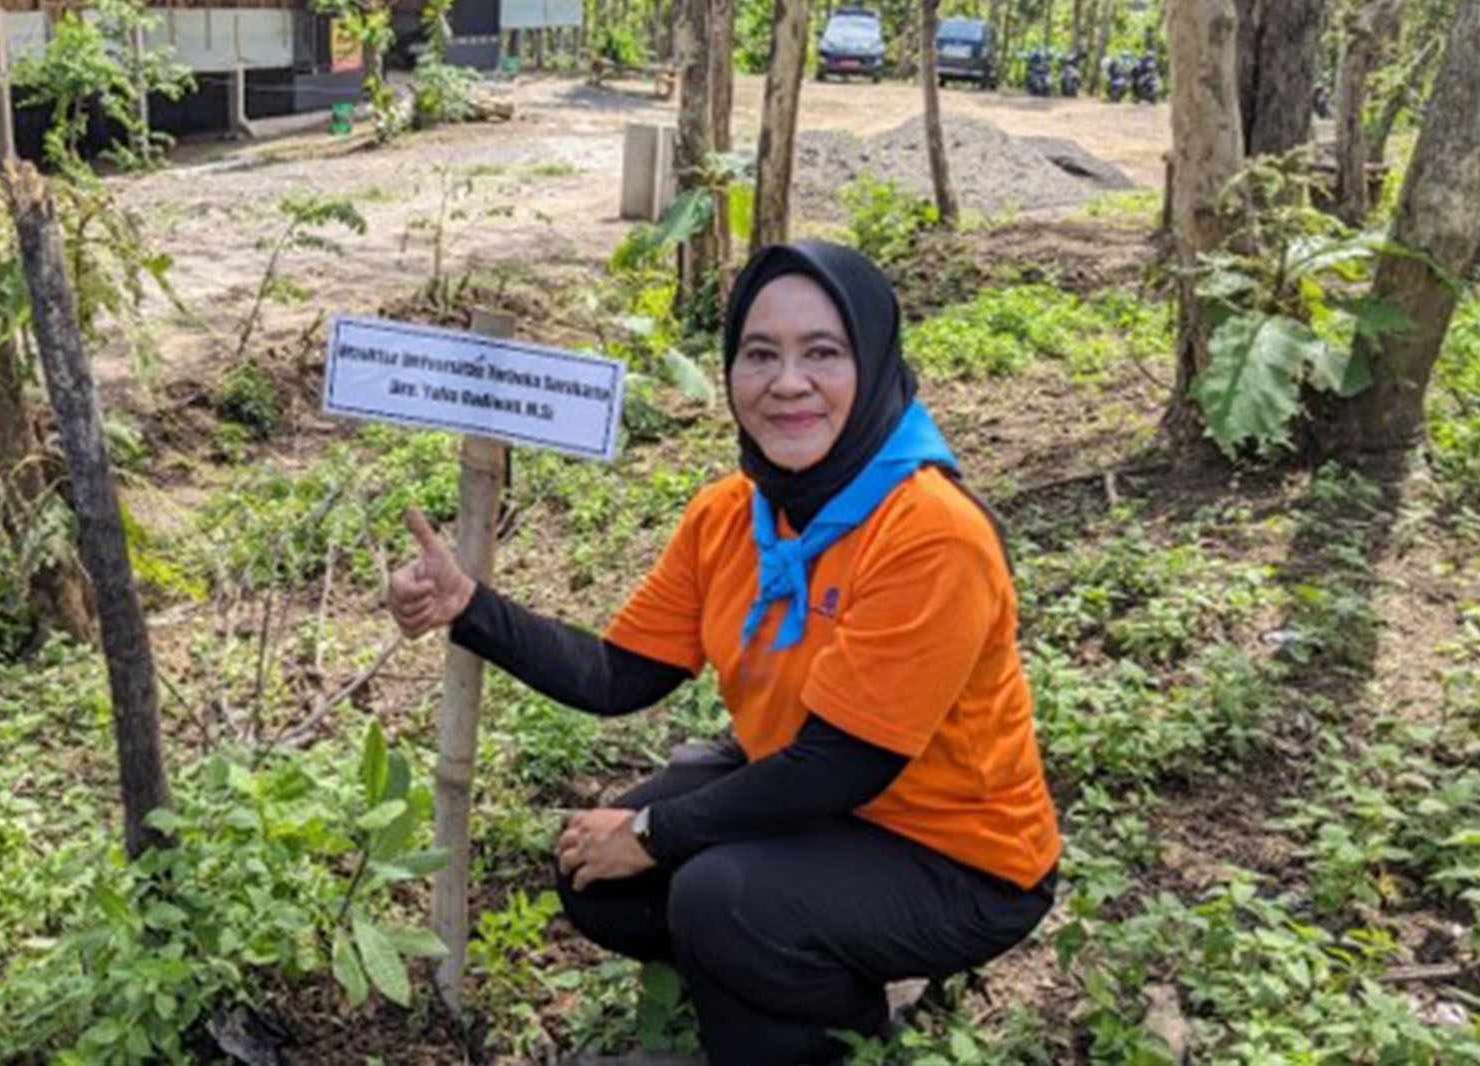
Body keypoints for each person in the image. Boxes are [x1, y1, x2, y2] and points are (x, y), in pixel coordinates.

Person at [386, 241, 1061, 1066]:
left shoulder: (930, 533)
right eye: (759, 353)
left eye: (823, 352)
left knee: (718, 896)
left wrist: (653, 828)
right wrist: (469, 607)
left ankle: (821, 1032)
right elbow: (616, 675)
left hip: (958, 859)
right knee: (597, 874)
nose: (787, 382)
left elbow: (839, 766)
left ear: (877, 360)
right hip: (825, 812)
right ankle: (806, 1001)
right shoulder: (732, 513)